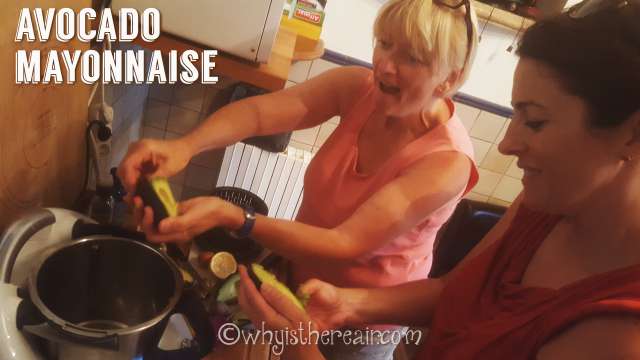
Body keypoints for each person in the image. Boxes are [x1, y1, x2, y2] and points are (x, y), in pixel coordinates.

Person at [235, 0, 640, 358]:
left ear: (632, 135)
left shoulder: (618, 334)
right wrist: (349, 304)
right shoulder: (544, 204)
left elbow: (347, 242)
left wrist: (305, 350)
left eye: (535, 122)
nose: (507, 143)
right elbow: (457, 291)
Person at [119, 0, 478, 357]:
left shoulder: (447, 163)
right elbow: (260, 114)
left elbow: (345, 242)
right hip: (299, 278)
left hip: (360, 324)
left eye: (412, 58)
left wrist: (236, 219)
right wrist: (185, 146)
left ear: (449, 77)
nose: (384, 65)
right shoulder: (359, 88)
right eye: (384, 43)